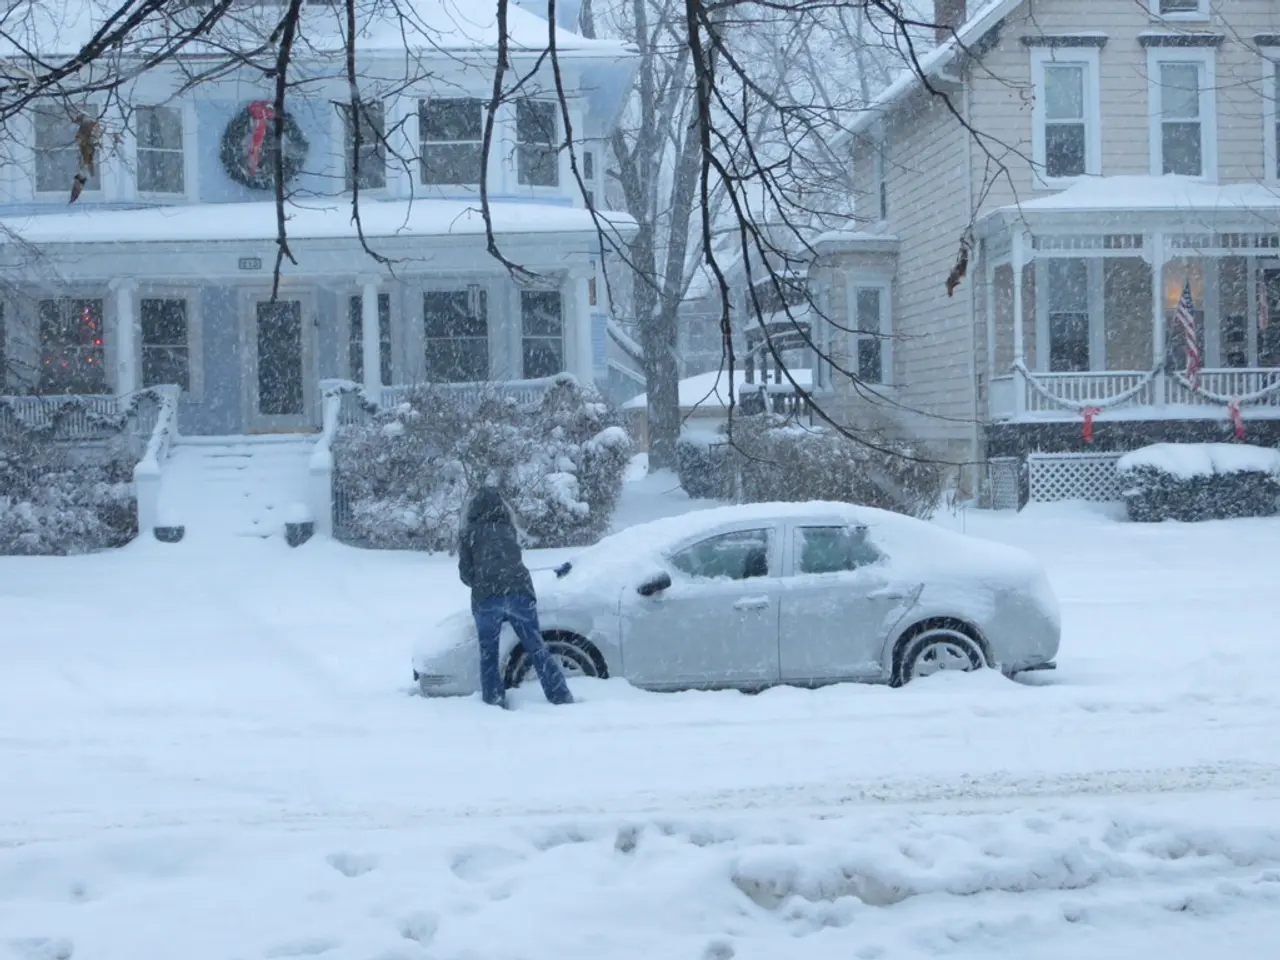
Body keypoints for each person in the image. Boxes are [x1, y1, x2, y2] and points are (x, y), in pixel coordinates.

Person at [457, 486, 575, 709]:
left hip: (487, 598)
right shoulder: (507, 528)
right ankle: (560, 695)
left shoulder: (469, 533)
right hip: (519, 593)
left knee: (488, 653)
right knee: (536, 647)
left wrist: (483, 581)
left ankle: (494, 699)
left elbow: (465, 574)